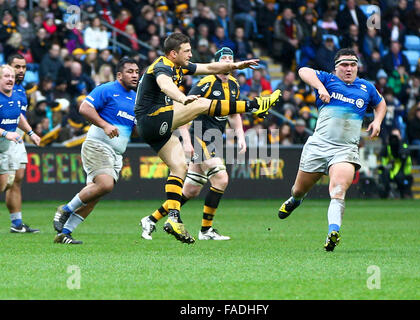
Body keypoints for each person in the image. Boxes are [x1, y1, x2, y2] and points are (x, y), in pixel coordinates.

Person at [134, 32, 280, 244]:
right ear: (173, 53)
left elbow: (210, 67)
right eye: (187, 51)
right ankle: (255, 105)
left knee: (179, 169)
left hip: (158, 127)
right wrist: (183, 99)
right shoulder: (162, 66)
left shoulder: (181, 67)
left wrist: (237, 66)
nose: (191, 54)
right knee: (202, 104)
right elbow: (166, 85)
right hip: (153, 119)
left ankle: (171, 219)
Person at [277, 48, 387, 251]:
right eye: (344, 65)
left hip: (345, 149)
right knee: (299, 189)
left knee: (338, 190)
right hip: (319, 145)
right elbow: (303, 71)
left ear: (357, 67)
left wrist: (377, 122)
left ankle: (333, 232)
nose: (349, 68)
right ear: (336, 67)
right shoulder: (327, 79)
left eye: (353, 64)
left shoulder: (366, 87)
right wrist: (320, 88)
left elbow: (381, 104)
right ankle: (296, 200)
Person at [140, 47, 245, 241]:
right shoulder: (206, 82)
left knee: (190, 190)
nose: (228, 63)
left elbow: (233, 113)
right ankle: (206, 230)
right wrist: (187, 141)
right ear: (217, 63)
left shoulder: (234, 84)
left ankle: (150, 219)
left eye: (231, 59)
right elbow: (183, 108)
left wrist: (241, 135)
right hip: (199, 136)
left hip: (213, 139)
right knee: (221, 179)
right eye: (224, 59)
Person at [52, 58, 140, 244]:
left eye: (137, 72)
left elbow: (136, 129)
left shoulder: (135, 98)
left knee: (94, 196)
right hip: (98, 145)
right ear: (119, 75)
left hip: (116, 154)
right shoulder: (106, 89)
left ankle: (64, 234)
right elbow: (84, 107)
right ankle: (65, 209)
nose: (135, 75)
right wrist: (105, 124)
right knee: (105, 185)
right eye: (130, 71)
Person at [0, 64, 40, 232]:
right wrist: (4, 134)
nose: (10, 79)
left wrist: (30, 132)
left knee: (6, 184)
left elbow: (18, 116)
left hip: (6, 146)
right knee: (3, 184)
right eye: (6, 76)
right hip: (3, 142)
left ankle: (17, 224)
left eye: (11, 76)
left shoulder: (16, 96)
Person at [378, 129, 413, 199]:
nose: (395, 138)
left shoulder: (404, 146)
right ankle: (386, 194)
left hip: (404, 171)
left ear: (400, 136)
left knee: (401, 180)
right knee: (384, 177)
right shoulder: (388, 147)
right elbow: (383, 160)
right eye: (393, 136)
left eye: (396, 136)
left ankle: (404, 194)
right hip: (392, 170)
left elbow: (404, 155)